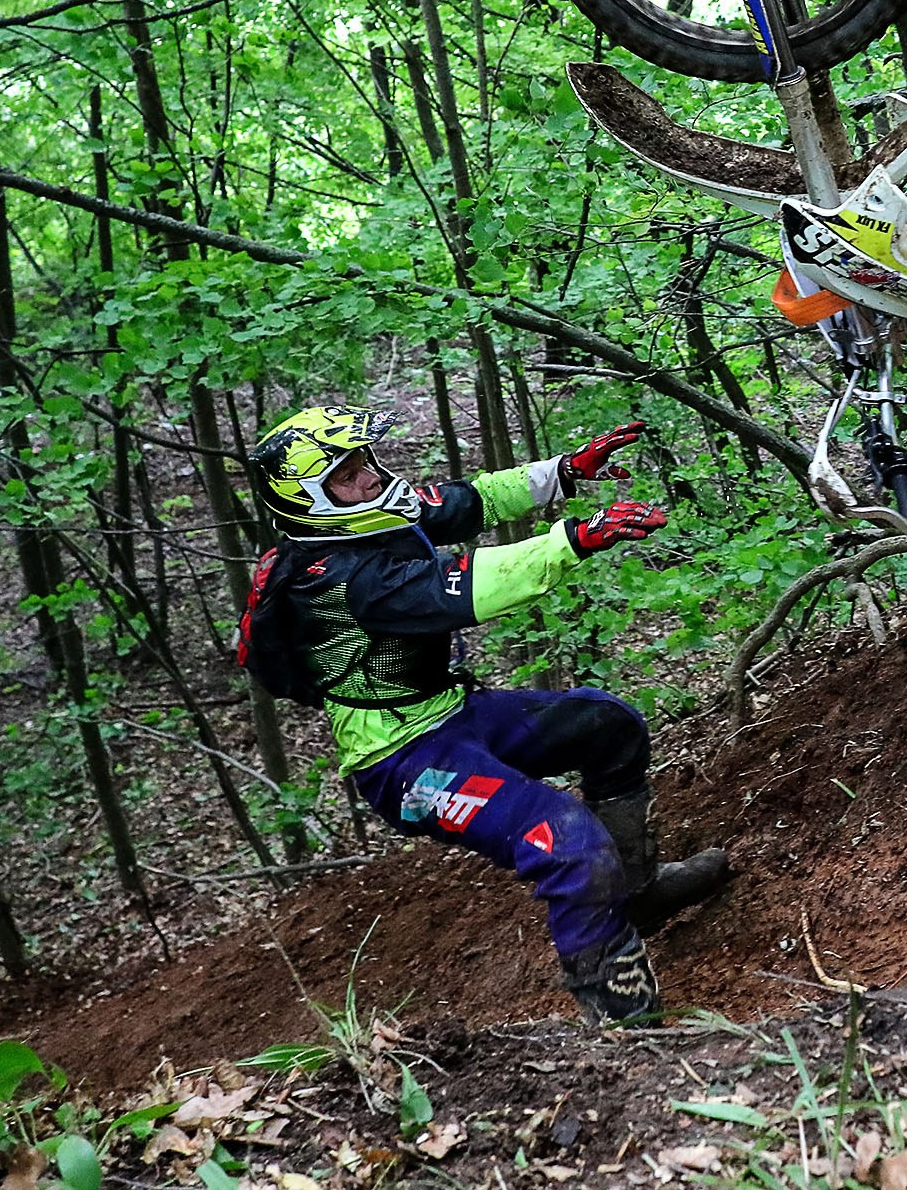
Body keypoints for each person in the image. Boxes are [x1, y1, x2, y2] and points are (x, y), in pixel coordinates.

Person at [239, 405, 730, 1024]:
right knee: (568, 842)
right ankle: (624, 1025)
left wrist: (564, 470)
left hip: (451, 714)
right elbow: (474, 584)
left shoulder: (374, 512)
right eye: (346, 472)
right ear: (307, 496)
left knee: (609, 724)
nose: (369, 476)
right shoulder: (338, 579)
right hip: (401, 761)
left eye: (364, 460)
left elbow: (471, 501)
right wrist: (573, 539)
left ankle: (638, 895)